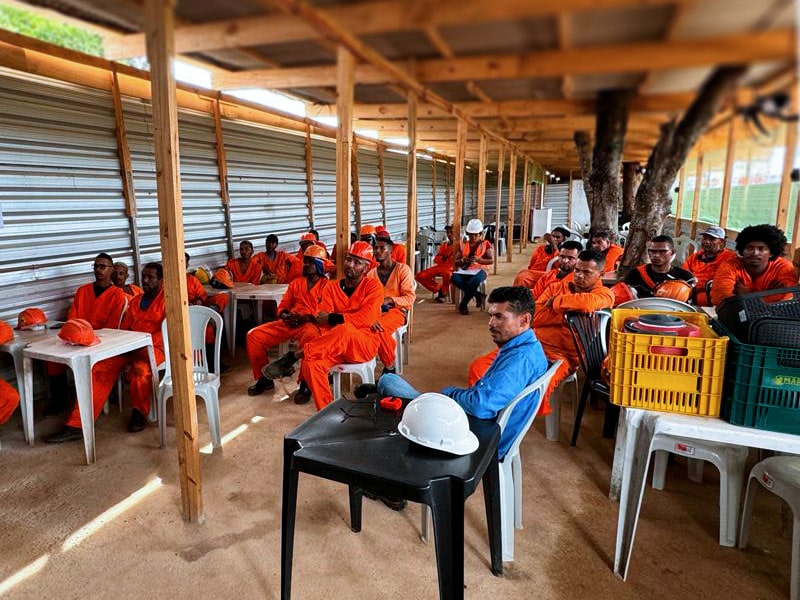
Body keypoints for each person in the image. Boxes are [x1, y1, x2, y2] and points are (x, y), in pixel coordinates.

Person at [377, 286, 548, 460]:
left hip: (473, 432)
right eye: (491, 316)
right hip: (481, 424)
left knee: (388, 382)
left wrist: (449, 394)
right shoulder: (528, 347)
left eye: (499, 317)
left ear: (524, 320)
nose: (491, 323)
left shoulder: (520, 360)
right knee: (395, 391)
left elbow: (480, 406)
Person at [46, 263, 167, 443]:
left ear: (161, 280)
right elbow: (124, 329)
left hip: (156, 348)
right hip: (131, 347)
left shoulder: (168, 300)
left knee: (140, 370)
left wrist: (143, 343)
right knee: (99, 368)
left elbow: (169, 331)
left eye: (151, 278)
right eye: (144, 277)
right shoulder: (135, 301)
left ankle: (139, 413)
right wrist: (125, 345)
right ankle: (77, 425)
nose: (146, 281)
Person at [262, 241, 383, 410]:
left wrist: (334, 318)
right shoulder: (332, 288)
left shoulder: (373, 287)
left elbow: (367, 318)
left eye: (357, 262)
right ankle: (326, 412)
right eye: (349, 259)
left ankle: (295, 356)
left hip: (363, 345)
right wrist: (339, 320)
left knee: (345, 328)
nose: (350, 265)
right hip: (336, 345)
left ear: (366, 268)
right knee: (312, 363)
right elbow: (322, 321)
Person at [246, 244, 331, 402]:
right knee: (254, 336)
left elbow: (326, 313)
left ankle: (305, 384)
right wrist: (285, 315)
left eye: (309, 262)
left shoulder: (328, 286)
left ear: (319, 264)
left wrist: (306, 318)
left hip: (312, 324)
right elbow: (284, 305)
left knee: (310, 340)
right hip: (291, 322)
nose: (304, 265)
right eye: (304, 261)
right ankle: (264, 379)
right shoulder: (296, 283)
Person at [533, 250, 615, 400]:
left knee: (536, 387)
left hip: (563, 357)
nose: (579, 275)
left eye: (586, 272)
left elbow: (588, 303)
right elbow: (535, 318)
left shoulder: (605, 295)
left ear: (601, 274)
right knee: (485, 370)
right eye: (577, 270)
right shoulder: (555, 287)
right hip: (533, 344)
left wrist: (556, 302)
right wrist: (570, 316)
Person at [710, 224, 798, 307]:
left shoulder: (783, 267)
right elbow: (720, 299)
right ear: (742, 250)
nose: (755, 253)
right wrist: (767, 296)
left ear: (771, 253)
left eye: (761, 249)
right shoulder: (730, 265)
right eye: (750, 248)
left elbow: (788, 301)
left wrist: (748, 295)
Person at [366, 233, 416, 374]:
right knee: (365, 326)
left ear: (391, 251)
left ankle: (389, 367)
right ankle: (371, 361)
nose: (378, 251)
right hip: (376, 311)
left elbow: (410, 298)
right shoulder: (371, 274)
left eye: (382, 248)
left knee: (379, 328)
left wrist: (390, 300)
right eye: (376, 248)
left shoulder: (402, 269)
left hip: (398, 311)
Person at [623, 235, 696, 298]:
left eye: (662, 251)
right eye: (653, 251)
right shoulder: (635, 274)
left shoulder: (685, 277)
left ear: (672, 253)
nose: (656, 255)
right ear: (648, 252)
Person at [681, 226, 737, 306]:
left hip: (712, 297)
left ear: (721, 241)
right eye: (704, 238)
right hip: (689, 292)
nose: (706, 242)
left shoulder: (729, 258)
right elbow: (684, 275)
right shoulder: (694, 257)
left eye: (712, 239)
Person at [453, 218, 494, 315]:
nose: (474, 237)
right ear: (468, 234)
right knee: (454, 278)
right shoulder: (462, 245)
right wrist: (463, 260)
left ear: (480, 234)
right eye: (471, 234)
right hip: (465, 270)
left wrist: (478, 260)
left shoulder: (485, 244)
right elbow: (456, 262)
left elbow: (491, 260)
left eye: (476, 234)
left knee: (474, 281)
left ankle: (463, 304)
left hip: (480, 270)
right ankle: (478, 295)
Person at [415, 224, 455, 303]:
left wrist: (444, 258)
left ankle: (443, 294)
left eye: (451, 232)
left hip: (451, 268)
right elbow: (436, 259)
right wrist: (442, 258)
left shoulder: (460, 244)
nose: (449, 234)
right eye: (448, 232)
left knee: (447, 274)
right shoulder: (444, 245)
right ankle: (439, 288)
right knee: (420, 276)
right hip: (440, 266)